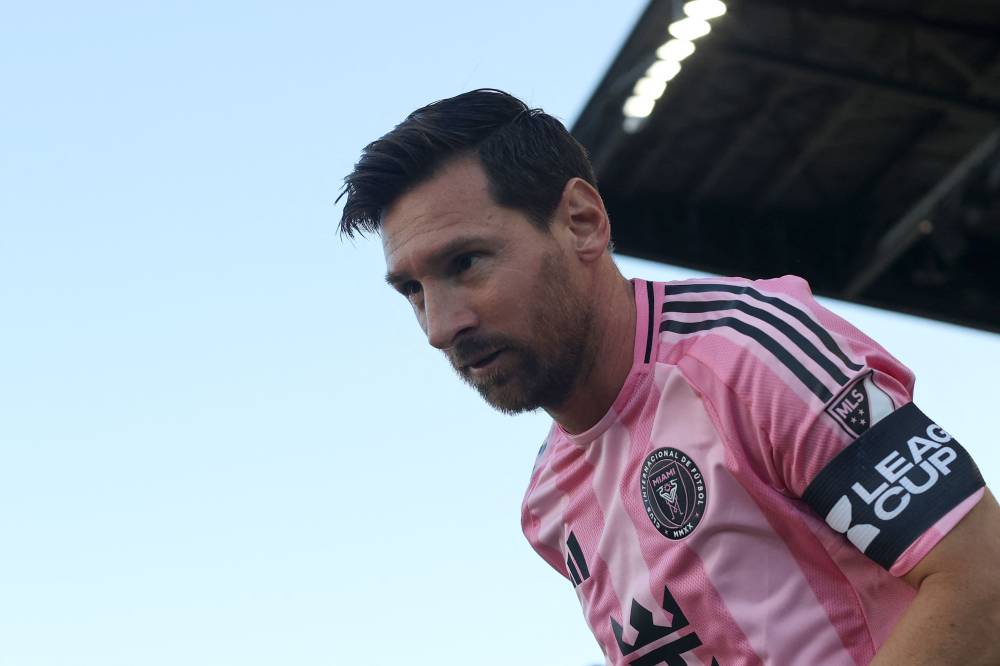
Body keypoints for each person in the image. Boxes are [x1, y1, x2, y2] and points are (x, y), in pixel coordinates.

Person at [337, 89, 1000, 665]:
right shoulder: (548, 506)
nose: (439, 324)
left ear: (581, 222)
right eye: (413, 291)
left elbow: (984, 580)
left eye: (466, 263)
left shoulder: (749, 351)